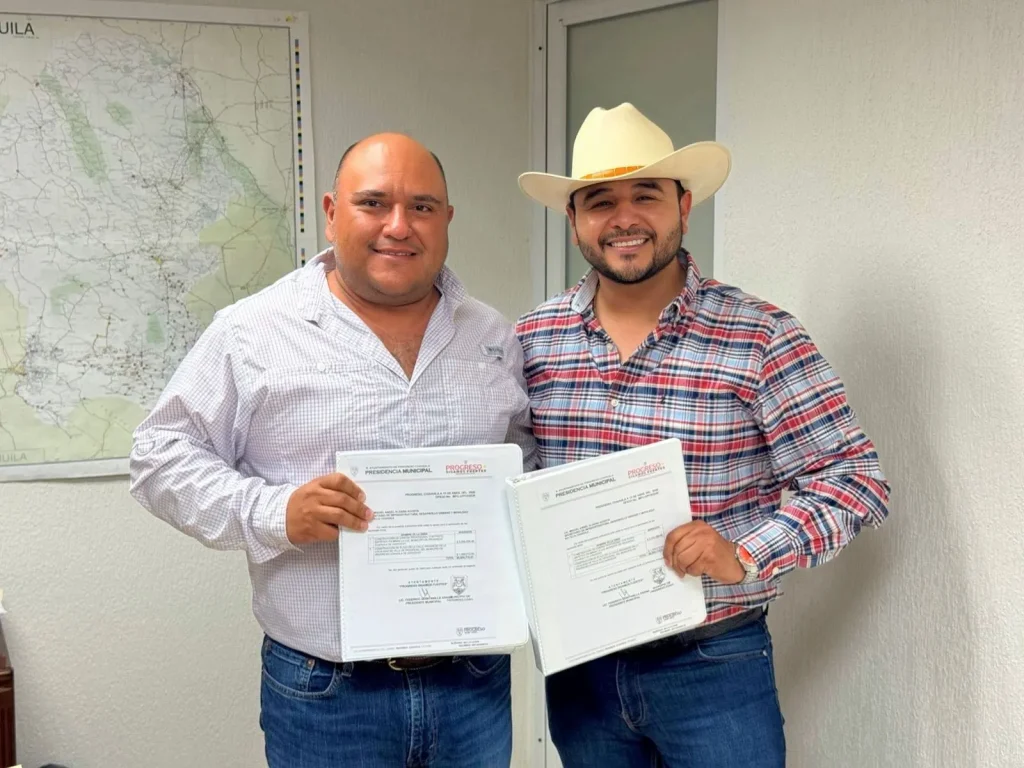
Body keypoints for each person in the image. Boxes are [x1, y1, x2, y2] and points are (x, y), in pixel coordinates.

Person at [129, 132, 535, 768]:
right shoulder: (252, 330)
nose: (398, 226)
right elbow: (159, 455)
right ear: (331, 211)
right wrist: (275, 512)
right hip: (327, 695)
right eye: (373, 203)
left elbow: (523, 468)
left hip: (472, 683)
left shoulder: (492, 336)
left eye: (422, 207)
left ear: (447, 219)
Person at [515, 103, 891, 767]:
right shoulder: (532, 340)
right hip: (581, 672)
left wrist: (742, 553)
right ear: (573, 220)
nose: (624, 218)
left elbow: (855, 481)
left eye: (646, 196)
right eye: (600, 201)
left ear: (684, 208)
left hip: (713, 664)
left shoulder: (761, 336)